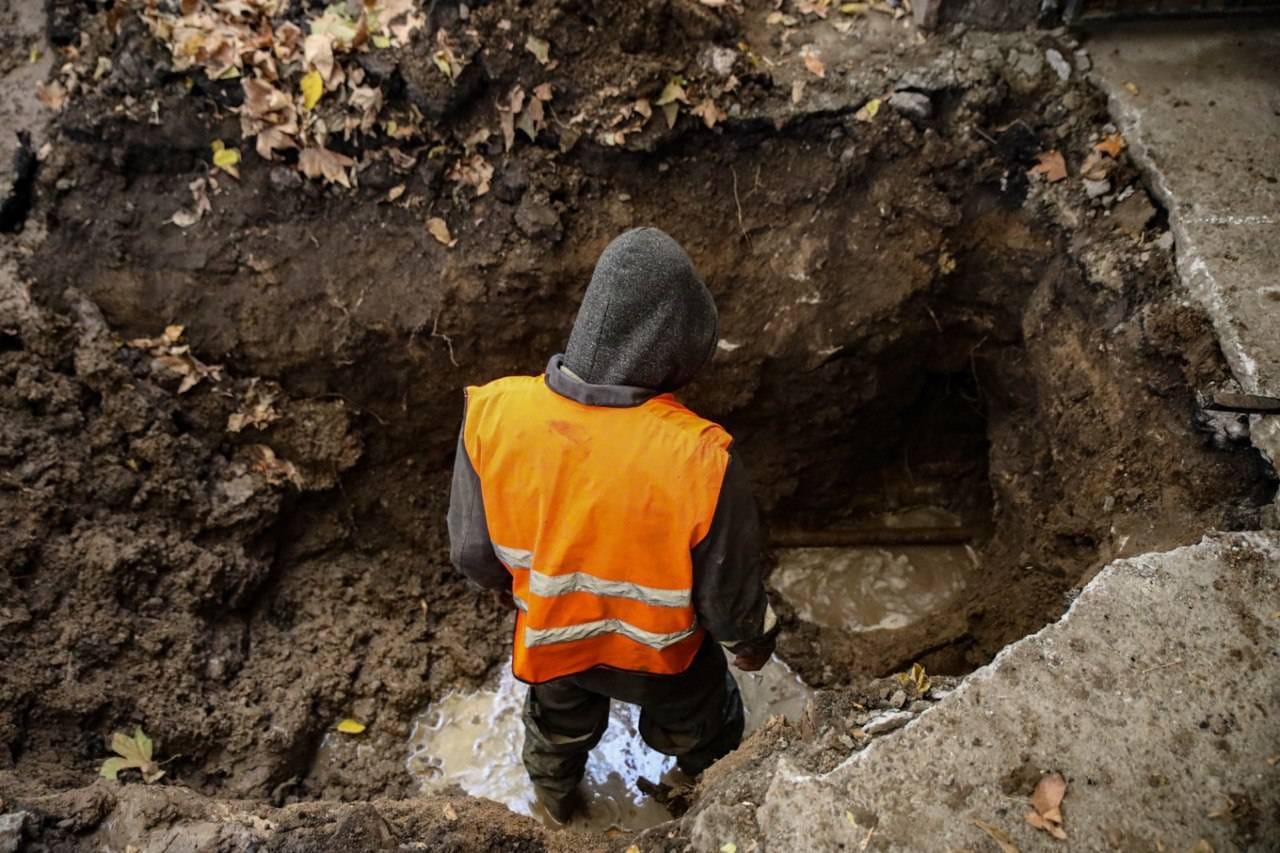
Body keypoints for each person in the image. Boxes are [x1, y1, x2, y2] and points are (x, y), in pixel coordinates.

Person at [447, 227, 778, 822]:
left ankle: (554, 813)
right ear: (680, 349)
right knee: (706, 731)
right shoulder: (703, 459)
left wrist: (512, 590)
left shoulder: (492, 414)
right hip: (665, 661)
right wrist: (751, 646)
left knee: (556, 733)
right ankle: (703, 814)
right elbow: (728, 600)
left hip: (552, 642)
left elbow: (472, 552)